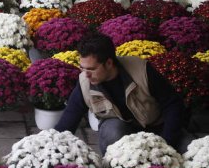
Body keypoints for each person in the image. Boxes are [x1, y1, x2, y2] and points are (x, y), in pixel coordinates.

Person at [55, 32, 194, 155]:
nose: (86, 74)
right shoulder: (85, 81)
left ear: (109, 63)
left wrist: (166, 144)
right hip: (120, 131)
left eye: (91, 69)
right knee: (112, 130)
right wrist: (51, 145)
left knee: (191, 149)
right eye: (82, 68)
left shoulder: (141, 70)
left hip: (158, 127)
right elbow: (70, 117)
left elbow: (172, 104)